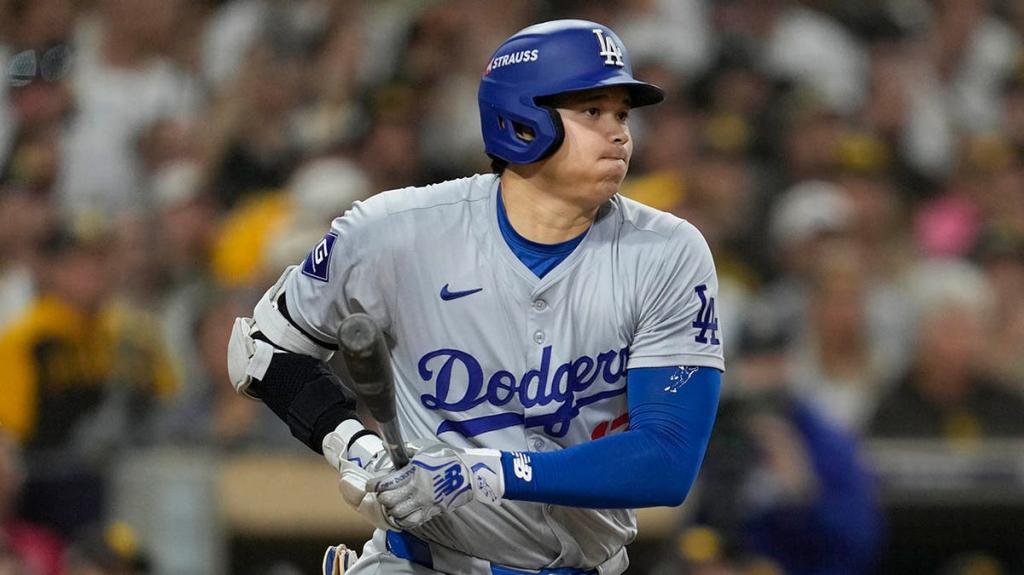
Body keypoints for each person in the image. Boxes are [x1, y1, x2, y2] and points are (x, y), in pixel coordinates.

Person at [228, 19, 724, 575]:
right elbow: (263, 353)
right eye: (592, 112)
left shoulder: (666, 252)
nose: (620, 134)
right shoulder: (397, 231)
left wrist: (485, 472)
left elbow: (667, 459)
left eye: (622, 115)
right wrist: (355, 449)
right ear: (521, 120)